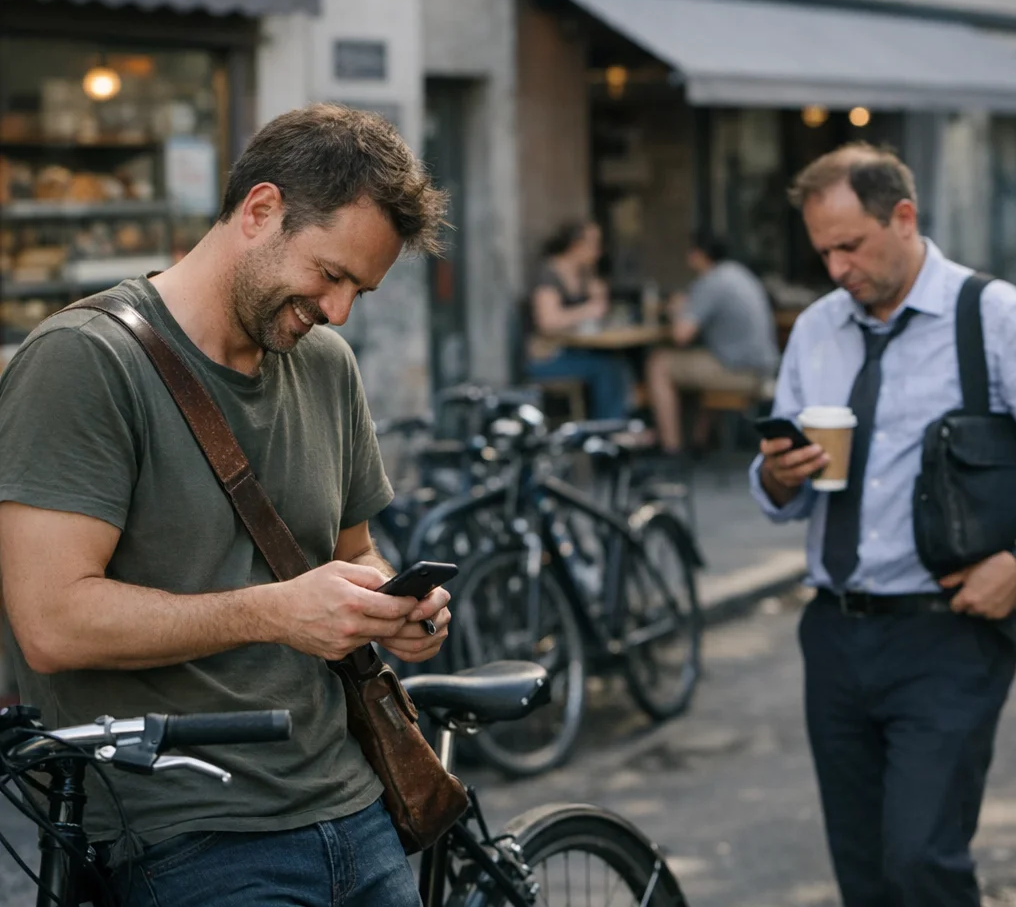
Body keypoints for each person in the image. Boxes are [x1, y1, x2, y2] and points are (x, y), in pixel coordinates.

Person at [0, 103, 452, 907]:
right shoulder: (82, 362)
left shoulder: (326, 365)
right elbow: (50, 623)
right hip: (183, 832)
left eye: (361, 290)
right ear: (260, 211)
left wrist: (390, 608)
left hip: (356, 805)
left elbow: (354, 553)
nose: (340, 309)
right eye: (331, 274)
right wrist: (277, 613)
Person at [750, 142, 1016, 907]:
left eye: (850, 246)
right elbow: (784, 491)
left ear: (902, 218)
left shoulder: (993, 317)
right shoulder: (816, 329)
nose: (836, 268)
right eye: (823, 251)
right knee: (864, 872)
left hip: (948, 634)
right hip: (835, 634)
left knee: (920, 861)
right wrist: (776, 477)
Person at [645, 234, 778, 452]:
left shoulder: (712, 281)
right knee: (699, 359)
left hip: (741, 372)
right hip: (762, 368)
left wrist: (675, 311)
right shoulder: (737, 273)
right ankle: (698, 440)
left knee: (658, 363)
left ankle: (671, 449)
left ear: (698, 255)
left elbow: (681, 335)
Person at [526, 218, 630, 420]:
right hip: (548, 356)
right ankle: (606, 432)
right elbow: (547, 322)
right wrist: (587, 309)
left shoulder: (584, 274)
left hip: (576, 349)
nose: (598, 251)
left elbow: (600, 312)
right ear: (576, 245)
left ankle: (616, 426)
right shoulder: (549, 272)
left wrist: (598, 293)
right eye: (594, 244)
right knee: (608, 368)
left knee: (620, 362)